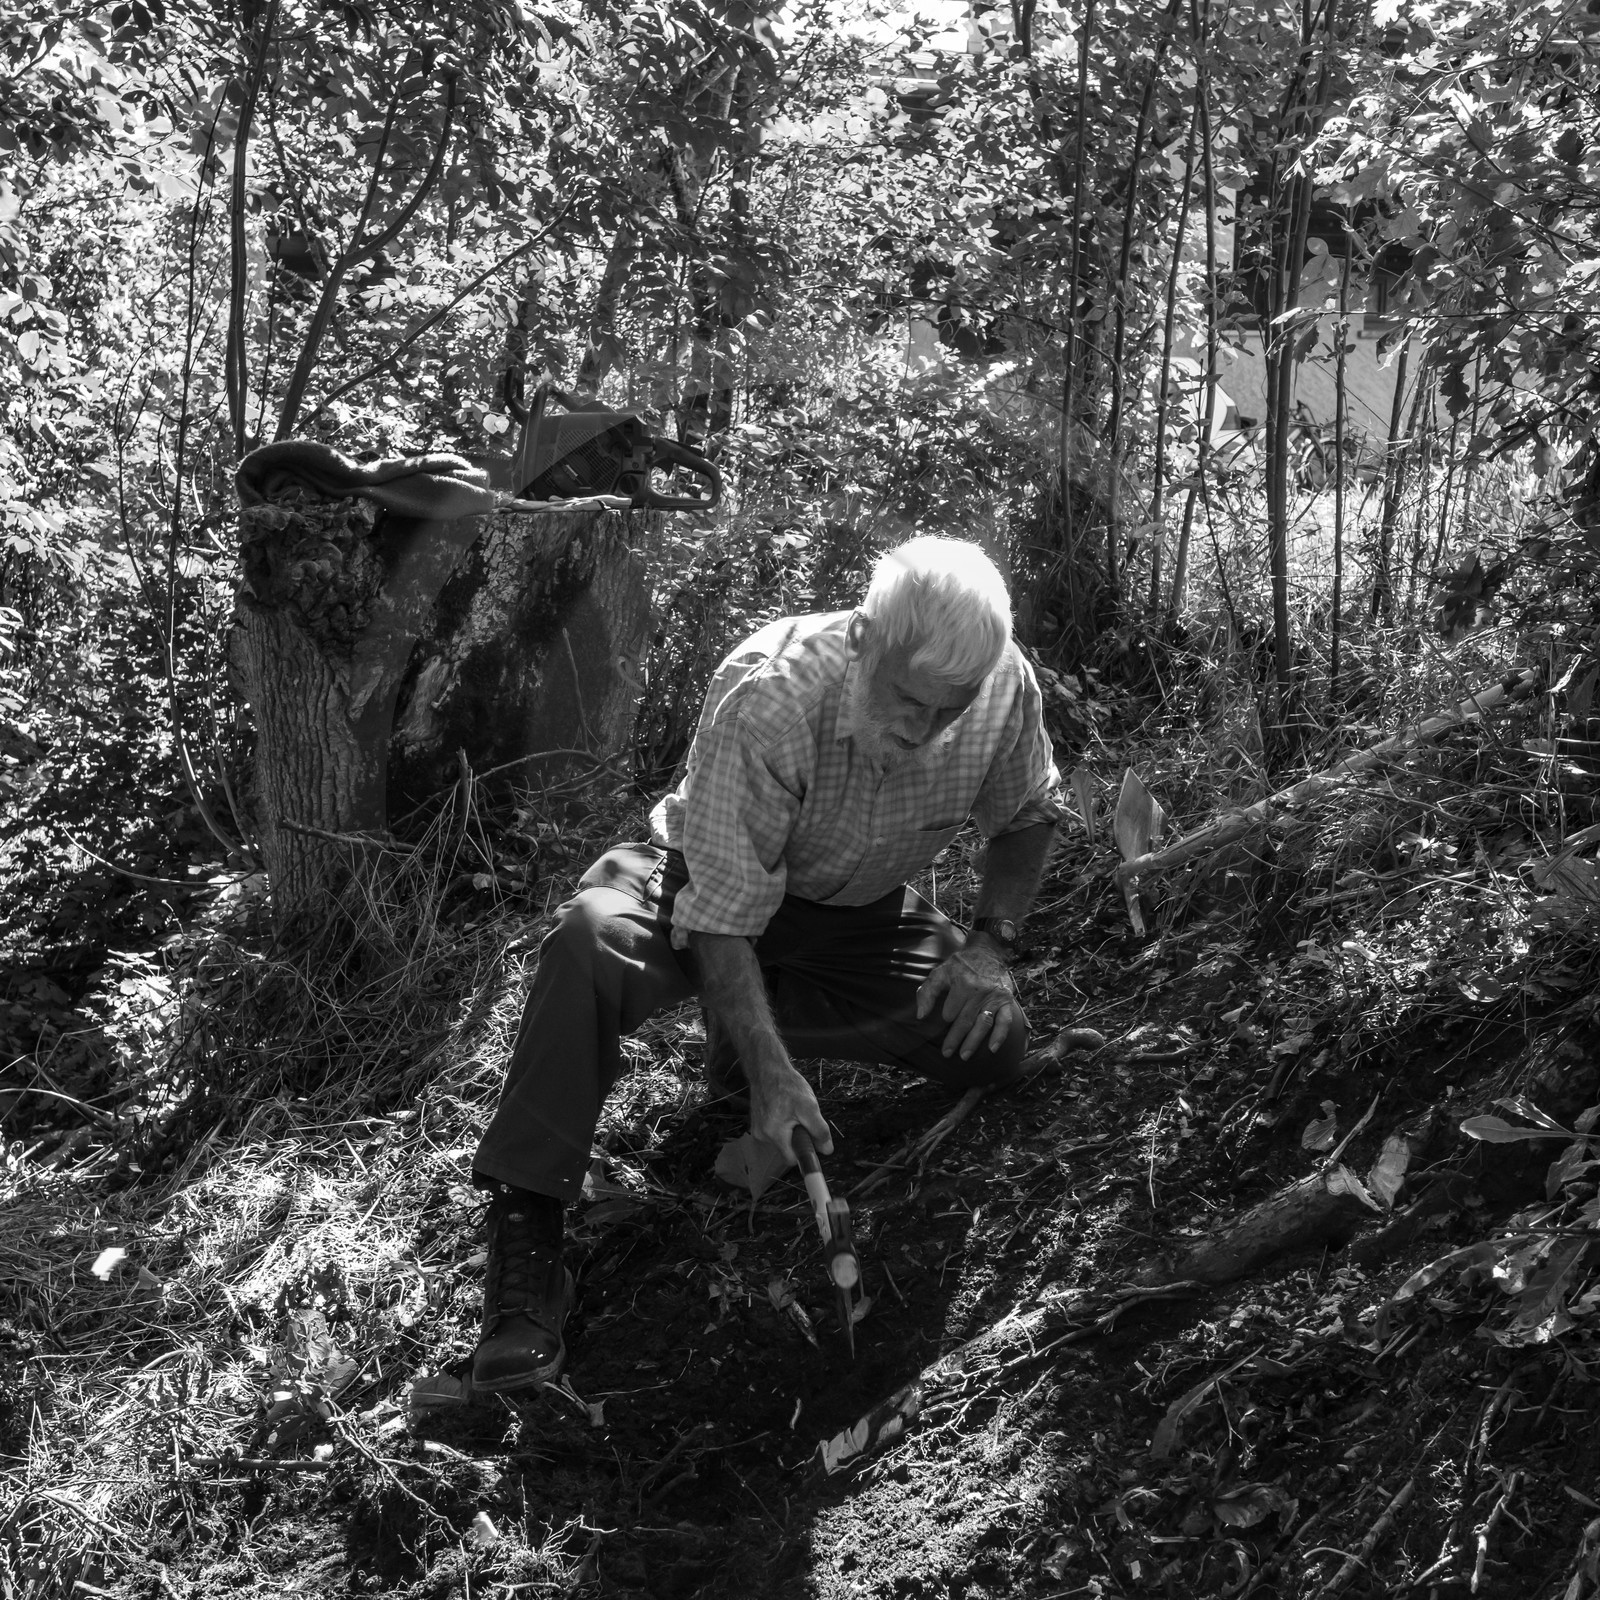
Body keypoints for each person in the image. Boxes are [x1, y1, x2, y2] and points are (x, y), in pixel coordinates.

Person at [468, 535, 1063, 1391]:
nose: (922, 729)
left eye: (949, 711)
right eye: (907, 699)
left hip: (855, 914)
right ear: (864, 641)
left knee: (993, 1045)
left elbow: (1028, 813)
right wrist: (775, 1076)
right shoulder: (771, 695)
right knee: (588, 943)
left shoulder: (1001, 687)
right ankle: (528, 1232)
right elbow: (719, 919)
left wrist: (989, 949)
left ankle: (750, 1030)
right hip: (701, 884)